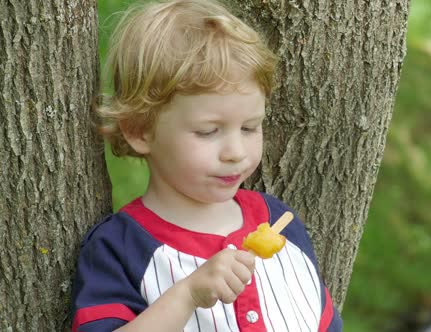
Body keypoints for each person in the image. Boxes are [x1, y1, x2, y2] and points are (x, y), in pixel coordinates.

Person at [70, 0, 342, 331]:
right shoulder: (121, 247)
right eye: (209, 131)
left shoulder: (281, 224)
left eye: (249, 127)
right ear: (140, 130)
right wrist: (186, 295)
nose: (235, 152)